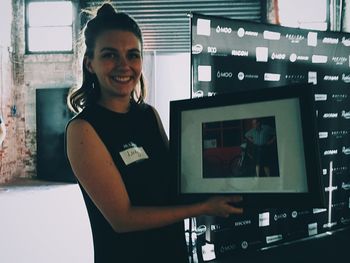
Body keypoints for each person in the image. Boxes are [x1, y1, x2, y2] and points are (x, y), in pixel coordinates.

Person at [65, 3, 243, 263]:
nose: (124, 65)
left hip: (173, 254)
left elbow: (178, 180)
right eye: (110, 55)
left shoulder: (148, 115)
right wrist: (203, 208)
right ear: (90, 64)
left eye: (132, 55)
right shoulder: (84, 130)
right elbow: (122, 218)